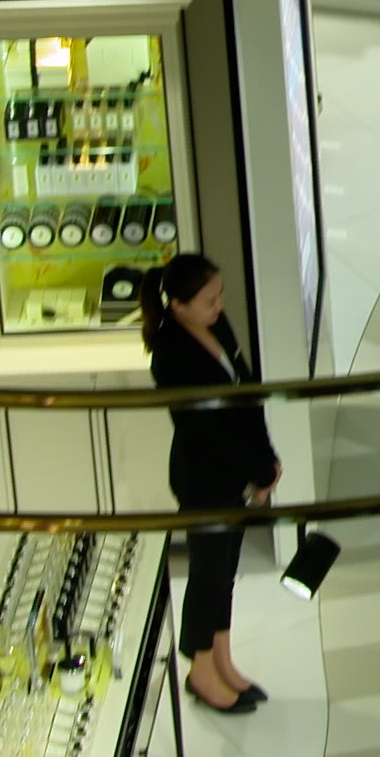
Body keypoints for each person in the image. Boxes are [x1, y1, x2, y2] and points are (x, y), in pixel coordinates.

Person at [141, 255, 277, 714]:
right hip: (205, 479)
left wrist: (266, 459)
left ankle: (221, 657)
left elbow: (246, 392)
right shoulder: (170, 353)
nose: (219, 306)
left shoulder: (216, 327)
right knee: (208, 574)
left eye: (219, 296)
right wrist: (256, 469)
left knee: (225, 573)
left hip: (236, 471)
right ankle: (199, 671)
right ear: (177, 305)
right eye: (208, 300)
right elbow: (206, 429)